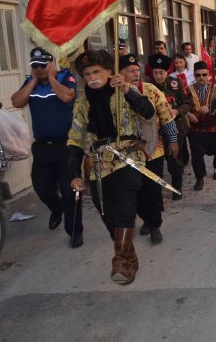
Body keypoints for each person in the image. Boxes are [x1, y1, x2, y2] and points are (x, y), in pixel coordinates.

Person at [68, 49, 156, 285]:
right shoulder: (82, 103)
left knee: (125, 207)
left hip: (129, 159)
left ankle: (119, 261)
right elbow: (75, 139)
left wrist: (127, 88)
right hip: (98, 165)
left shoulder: (126, 90)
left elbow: (149, 112)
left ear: (109, 72)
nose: (92, 77)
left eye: (96, 71)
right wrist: (75, 173)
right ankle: (130, 259)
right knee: (110, 218)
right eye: (87, 74)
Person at [11, 47, 82, 248]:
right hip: (42, 147)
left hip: (66, 146)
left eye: (43, 64)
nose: (40, 69)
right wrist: (33, 80)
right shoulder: (30, 83)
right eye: (36, 66)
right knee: (41, 187)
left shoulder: (66, 77)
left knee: (70, 192)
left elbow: (68, 97)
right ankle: (56, 207)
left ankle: (75, 231)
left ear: (51, 63)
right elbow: (16, 102)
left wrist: (52, 77)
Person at [119, 54, 179, 244]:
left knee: (152, 188)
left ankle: (155, 225)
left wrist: (173, 141)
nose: (136, 74)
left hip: (153, 150)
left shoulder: (151, 90)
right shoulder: (114, 95)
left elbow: (166, 116)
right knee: (134, 190)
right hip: (126, 153)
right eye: (131, 71)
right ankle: (145, 218)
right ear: (120, 74)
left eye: (137, 70)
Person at [149, 53, 190, 201]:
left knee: (175, 158)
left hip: (175, 127)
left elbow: (187, 103)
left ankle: (177, 186)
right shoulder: (147, 86)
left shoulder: (176, 83)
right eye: (155, 73)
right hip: (155, 131)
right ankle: (155, 189)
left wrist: (177, 110)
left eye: (161, 73)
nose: (158, 76)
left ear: (167, 72)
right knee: (156, 160)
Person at [187, 61, 216, 190]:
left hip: (214, 126)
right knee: (196, 155)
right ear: (194, 75)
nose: (201, 77)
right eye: (198, 75)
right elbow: (181, 105)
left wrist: (213, 107)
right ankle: (199, 178)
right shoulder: (187, 90)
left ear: (208, 75)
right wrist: (188, 114)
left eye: (204, 74)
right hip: (195, 128)